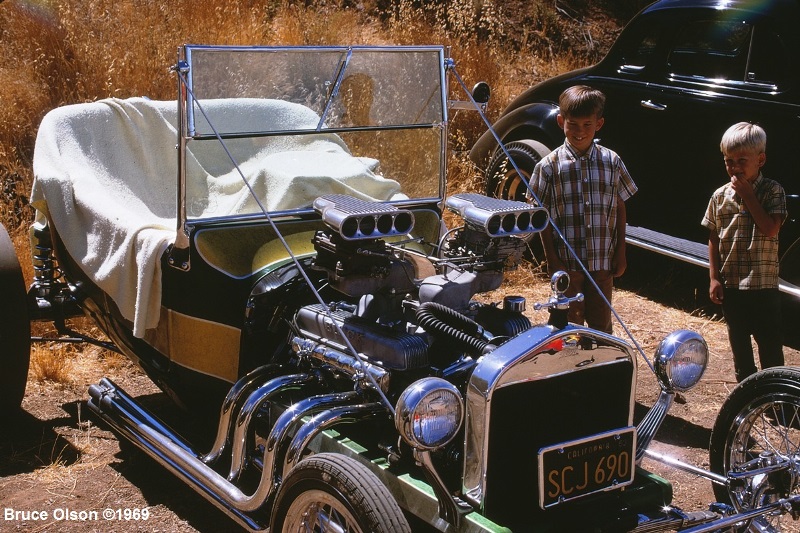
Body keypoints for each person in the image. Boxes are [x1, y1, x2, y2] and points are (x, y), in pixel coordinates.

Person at [531, 85, 637, 333]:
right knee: (567, 324)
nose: (580, 131)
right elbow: (540, 216)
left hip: (602, 263)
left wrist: (621, 251)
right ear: (561, 121)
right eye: (573, 124)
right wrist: (552, 260)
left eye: (587, 124)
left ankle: (599, 369)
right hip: (567, 265)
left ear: (599, 124)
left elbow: (620, 205)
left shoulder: (611, 161)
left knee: (601, 326)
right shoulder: (548, 166)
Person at [702, 122, 787, 382]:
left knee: (770, 346)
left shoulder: (772, 191)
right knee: (740, 346)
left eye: (742, 160)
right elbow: (713, 237)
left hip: (762, 285)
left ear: (760, 159)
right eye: (729, 161)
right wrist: (714, 278)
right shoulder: (720, 196)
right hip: (733, 285)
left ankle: (776, 397)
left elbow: (771, 228)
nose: (735, 167)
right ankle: (746, 396)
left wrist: (749, 196)